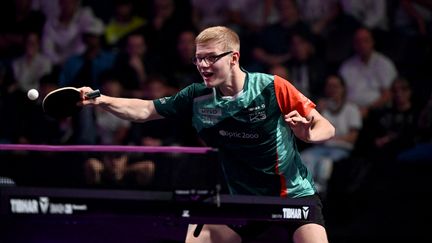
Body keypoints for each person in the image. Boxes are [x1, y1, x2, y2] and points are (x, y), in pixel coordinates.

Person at [78, 26, 335, 243]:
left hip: (292, 196)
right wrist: (100, 99)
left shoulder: (271, 87)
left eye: (211, 58)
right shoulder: (197, 97)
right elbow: (146, 109)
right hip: (245, 201)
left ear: (234, 58)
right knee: (198, 236)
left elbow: (326, 126)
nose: (202, 65)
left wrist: (308, 133)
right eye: (198, 58)